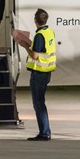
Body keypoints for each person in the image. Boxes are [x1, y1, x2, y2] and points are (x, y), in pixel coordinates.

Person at [18, 8, 56, 141]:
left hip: (39, 73)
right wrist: (30, 43)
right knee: (41, 103)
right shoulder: (49, 32)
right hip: (47, 72)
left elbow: (34, 55)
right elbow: (43, 49)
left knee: (38, 104)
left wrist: (24, 46)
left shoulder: (39, 35)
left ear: (35, 21)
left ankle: (44, 133)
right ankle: (46, 132)